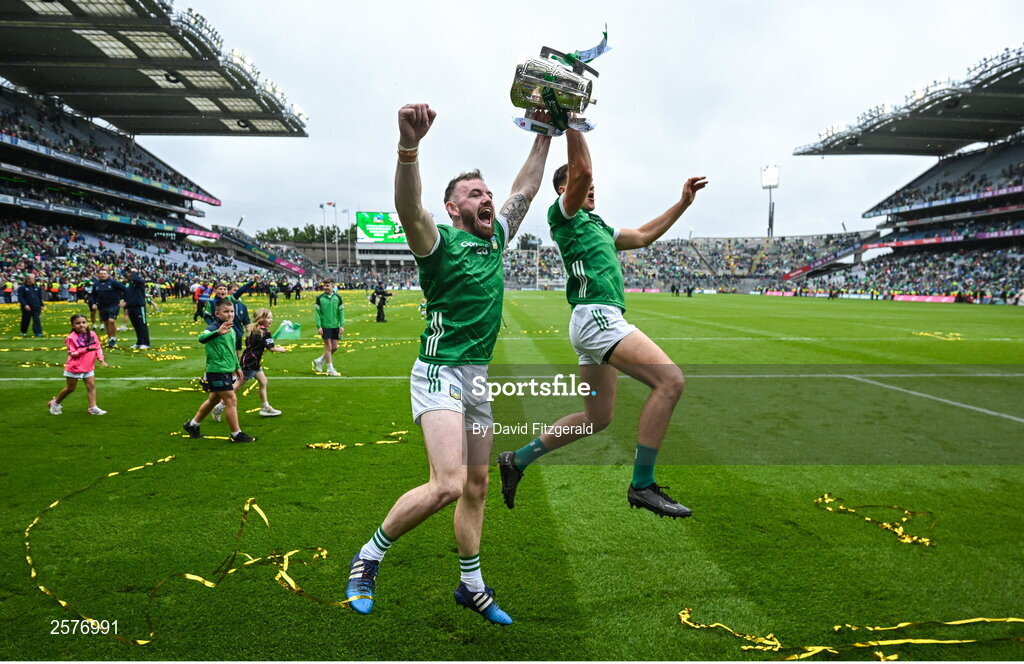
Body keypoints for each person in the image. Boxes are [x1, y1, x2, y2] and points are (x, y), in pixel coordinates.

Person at [344, 102, 551, 625]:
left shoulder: (496, 237)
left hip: (477, 377)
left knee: (477, 485)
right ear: (454, 208)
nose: (488, 199)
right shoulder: (438, 242)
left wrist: (547, 132)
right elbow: (410, 209)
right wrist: (409, 146)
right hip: (439, 371)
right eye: (475, 194)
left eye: (486, 192)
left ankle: (471, 586)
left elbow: (524, 189)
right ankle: (368, 558)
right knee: (449, 484)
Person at [497, 126, 707, 519]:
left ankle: (517, 459)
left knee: (598, 418)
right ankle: (642, 485)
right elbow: (583, 173)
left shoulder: (599, 226)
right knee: (671, 380)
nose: (591, 189)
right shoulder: (565, 215)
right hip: (597, 316)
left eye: (592, 188)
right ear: (565, 190)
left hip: (592, 321)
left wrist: (683, 204)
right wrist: (573, 122)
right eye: (580, 185)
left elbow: (644, 235)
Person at [183, 299, 256, 444]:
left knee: (214, 400)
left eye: (232, 311)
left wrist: (237, 366)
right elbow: (201, 338)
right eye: (226, 311)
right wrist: (217, 332)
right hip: (216, 370)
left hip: (227, 370)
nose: (230, 314)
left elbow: (231, 350)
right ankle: (236, 434)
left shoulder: (232, 329)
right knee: (231, 399)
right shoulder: (213, 327)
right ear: (217, 313)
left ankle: (192, 425)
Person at [219, 307, 288, 419]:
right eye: (269, 317)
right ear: (261, 319)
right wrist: (281, 349)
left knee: (263, 381)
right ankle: (219, 406)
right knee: (237, 386)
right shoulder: (265, 332)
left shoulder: (254, 329)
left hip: (251, 361)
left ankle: (265, 407)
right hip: (251, 363)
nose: (271, 320)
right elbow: (271, 348)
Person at [49, 314, 108, 415]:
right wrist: (86, 349)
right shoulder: (71, 338)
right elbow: (73, 353)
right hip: (74, 367)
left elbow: (98, 347)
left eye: (83, 322)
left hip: (88, 366)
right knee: (70, 388)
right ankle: (55, 403)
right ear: (72, 325)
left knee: (91, 385)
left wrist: (101, 359)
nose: (81, 325)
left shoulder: (92, 334)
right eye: (77, 323)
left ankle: (92, 408)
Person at [312, 280, 344, 376]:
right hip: (325, 326)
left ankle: (320, 360)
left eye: (327, 285)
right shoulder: (320, 298)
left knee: (334, 348)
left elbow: (341, 312)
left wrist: (342, 325)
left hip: (335, 326)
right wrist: (319, 326)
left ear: (333, 286)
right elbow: (317, 314)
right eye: (324, 285)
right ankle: (330, 369)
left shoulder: (338, 298)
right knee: (328, 347)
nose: (325, 287)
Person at [90, 268, 126, 348]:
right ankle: (110, 339)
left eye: (104, 273)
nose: (103, 275)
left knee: (111, 321)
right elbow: (93, 295)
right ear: (98, 275)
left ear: (108, 274)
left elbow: (125, 289)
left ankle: (113, 338)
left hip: (114, 304)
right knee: (106, 322)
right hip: (102, 306)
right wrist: (93, 303)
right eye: (101, 273)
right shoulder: (96, 284)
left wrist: (124, 300)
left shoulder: (113, 282)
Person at [123, 268, 151, 349]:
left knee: (142, 324)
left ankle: (146, 342)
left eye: (131, 273)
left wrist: (134, 272)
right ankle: (139, 342)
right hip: (131, 306)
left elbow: (135, 279)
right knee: (136, 325)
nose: (129, 274)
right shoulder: (129, 283)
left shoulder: (140, 281)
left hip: (139, 306)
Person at [17, 273, 45, 337]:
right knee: (25, 320)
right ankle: (23, 331)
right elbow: (20, 297)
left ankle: (38, 332)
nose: (34, 280)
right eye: (33, 278)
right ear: (28, 279)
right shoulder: (22, 288)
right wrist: (25, 305)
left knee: (36, 319)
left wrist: (42, 305)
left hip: (36, 306)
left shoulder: (36, 287)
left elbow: (39, 297)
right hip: (27, 307)